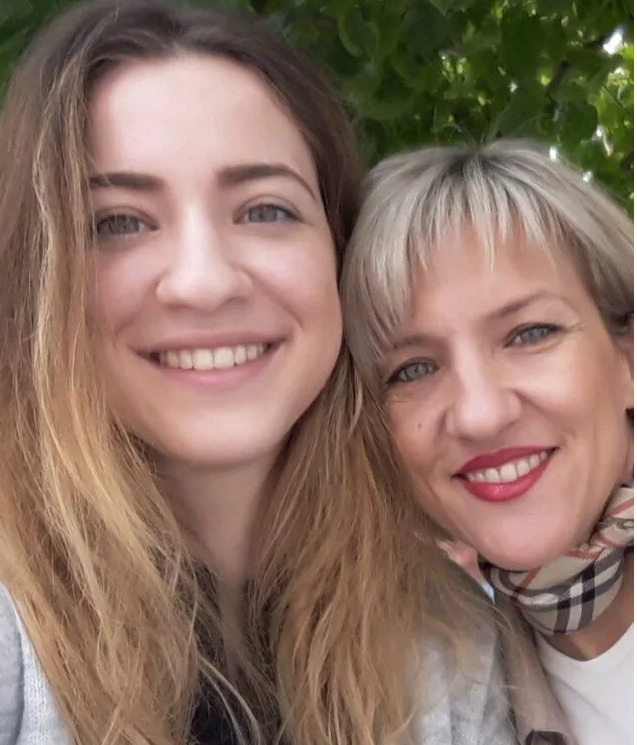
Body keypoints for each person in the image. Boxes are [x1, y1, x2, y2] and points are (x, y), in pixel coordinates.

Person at [0, 2, 518, 743]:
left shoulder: (452, 640)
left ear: (339, 252)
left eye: (265, 210)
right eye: (117, 222)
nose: (204, 281)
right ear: (38, 278)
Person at [342, 139, 634, 745]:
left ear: (627, 360)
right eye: (413, 369)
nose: (479, 415)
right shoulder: (446, 682)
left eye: (529, 334)